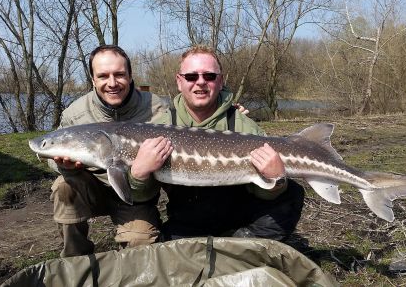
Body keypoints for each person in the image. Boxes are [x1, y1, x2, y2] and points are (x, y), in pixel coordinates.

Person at [129, 45, 305, 241]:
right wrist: (138, 175)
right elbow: (142, 198)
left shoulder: (243, 125)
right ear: (179, 82)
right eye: (191, 77)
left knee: (291, 192)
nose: (201, 83)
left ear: (220, 81)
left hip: (239, 221)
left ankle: (242, 245)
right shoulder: (159, 127)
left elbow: (264, 194)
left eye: (209, 76)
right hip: (186, 222)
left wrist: (276, 182)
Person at [49, 45, 169, 257]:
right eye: (103, 76)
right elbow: (50, 152)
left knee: (140, 243)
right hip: (93, 187)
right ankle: (77, 261)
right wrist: (62, 166)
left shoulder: (155, 108)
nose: (112, 83)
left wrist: (230, 111)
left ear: (130, 76)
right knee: (63, 187)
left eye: (120, 74)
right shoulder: (76, 114)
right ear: (93, 79)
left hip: (136, 193)